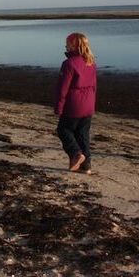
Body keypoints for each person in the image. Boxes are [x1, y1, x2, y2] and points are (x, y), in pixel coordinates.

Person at [54, 32, 97, 175]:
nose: (65, 45)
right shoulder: (90, 61)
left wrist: (59, 106)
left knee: (63, 130)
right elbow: (94, 86)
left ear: (74, 45)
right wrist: (92, 104)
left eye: (67, 43)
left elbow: (63, 88)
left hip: (74, 105)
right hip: (88, 104)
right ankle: (86, 165)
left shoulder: (69, 64)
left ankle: (76, 153)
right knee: (82, 134)